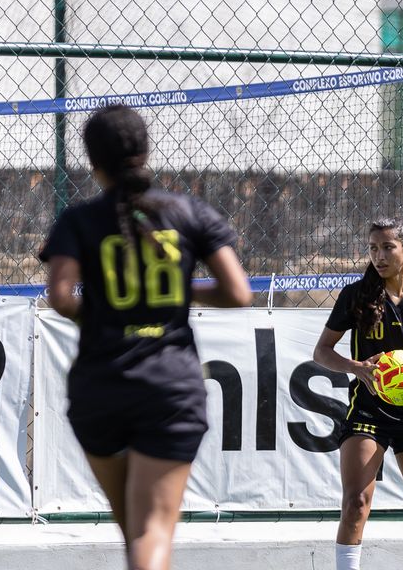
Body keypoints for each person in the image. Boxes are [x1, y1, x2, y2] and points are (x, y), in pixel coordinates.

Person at [40, 104, 252, 570]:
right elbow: (238, 292)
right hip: (169, 389)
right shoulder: (189, 211)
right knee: (151, 533)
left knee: (136, 534)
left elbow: (58, 296)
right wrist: (176, 294)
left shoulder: (79, 220)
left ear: (92, 161)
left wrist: (101, 312)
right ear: (145, 150)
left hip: (100, 388)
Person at [313, 217, 403, 570]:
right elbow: (322, 351)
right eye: (373, 248)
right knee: (356, 503)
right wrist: (357, 368)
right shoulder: (356, 296)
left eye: (388, 248)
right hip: (368, 412)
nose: (379, 256)